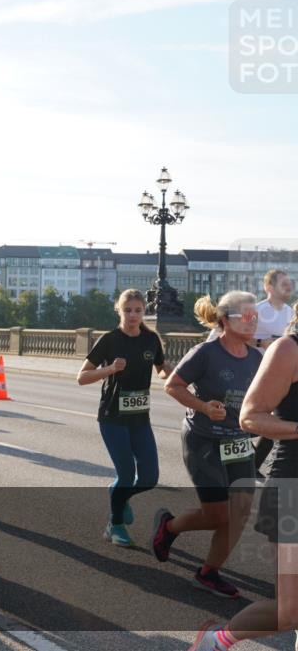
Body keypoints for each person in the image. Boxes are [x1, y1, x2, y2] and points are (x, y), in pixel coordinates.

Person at [188, 304, 298, 650]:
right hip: (290, 489)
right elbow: (250, 418)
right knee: (289, 613)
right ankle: (216, 640)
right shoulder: (288, 350)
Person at [152, 292, 262, 598]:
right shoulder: (206, 352)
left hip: (238, 443)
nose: (253, 321)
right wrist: (202, 406)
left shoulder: (257, 358)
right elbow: (172, 385)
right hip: (204, 441)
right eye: (247, 316)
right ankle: (169, 527)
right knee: (217, 515)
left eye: (255, 316)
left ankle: (208, 572)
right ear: (226, 320)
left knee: (239, 512)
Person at [77, 289, 171, 546]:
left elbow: (163, 370)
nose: (132, 315)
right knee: (127, 474)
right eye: (127, 310)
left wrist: (174, 377)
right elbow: (82, 377)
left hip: (140, 418)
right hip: (112, 417)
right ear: (119, 311)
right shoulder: (109, 340)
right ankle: (115, 524)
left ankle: (117, 493)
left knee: (150, 477)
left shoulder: (151, 339)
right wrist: (109, 369)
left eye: (138, 310)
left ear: (144, 312)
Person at [252, 269, 294, 471]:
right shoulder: (256, 310)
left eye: (290, 283)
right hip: (253, 373)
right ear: (268, 287)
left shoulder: (291, 312)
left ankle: (252, 465)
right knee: (254, 420)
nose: (289, 286)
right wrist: (262, 342)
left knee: (275, 421)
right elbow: (234, 335)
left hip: (282, 376)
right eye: (283, 283)